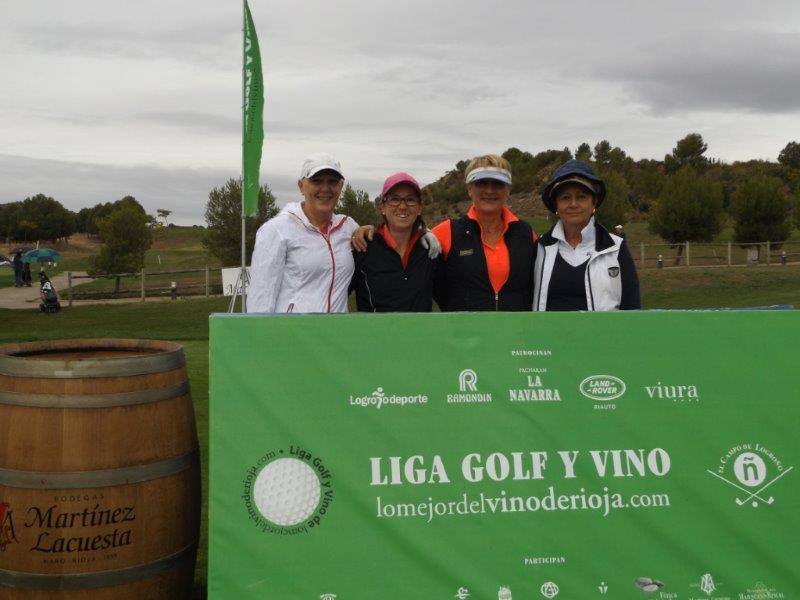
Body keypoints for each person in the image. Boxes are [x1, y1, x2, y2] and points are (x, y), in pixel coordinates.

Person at [247, 152, 359, 313]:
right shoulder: (276, 230)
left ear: (341, 186)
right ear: (301, 186)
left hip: (336, 334)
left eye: (333, 182)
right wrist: (262, 336)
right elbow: (260, 300)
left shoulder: (348, 226)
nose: (325, 188)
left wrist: (365, 230)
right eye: (316, 181)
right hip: (292, 334)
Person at [430, 154, 537, 311]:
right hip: (463, 333)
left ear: (508, 190)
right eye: (481, 183)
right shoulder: (445, 232)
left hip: (517, 332)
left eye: (498, 184)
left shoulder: (526, 233)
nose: (489, 190)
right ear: (469, 189)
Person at [533, 159, 640, 311]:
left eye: (582, 197)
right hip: (548, 335)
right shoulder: (540, 248)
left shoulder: (616, 249)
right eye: (565, 197)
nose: (573, 204)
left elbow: (632, 307)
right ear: (556, 204)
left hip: (603, 335)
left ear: (594, 202)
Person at [351, 172, 442, 312]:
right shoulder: (363, 248)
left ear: (419, 208)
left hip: (422, 334)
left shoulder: (430, 250)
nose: (402, 206)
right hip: (374, 333)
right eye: (394, 199)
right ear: (382, 207)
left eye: (410, 199)